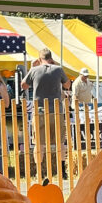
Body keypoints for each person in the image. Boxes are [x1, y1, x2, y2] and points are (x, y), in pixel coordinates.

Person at [21, 48, 70, 176]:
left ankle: (39, 171)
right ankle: (62, 171)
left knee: (39, 142)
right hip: (56, 110)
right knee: (60, 141)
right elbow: (67, 85)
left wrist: (32, 67)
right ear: (51, 58)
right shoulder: (58, 69)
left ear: (39, 58)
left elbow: (24, 85)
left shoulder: (34, 70)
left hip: (40, 110)